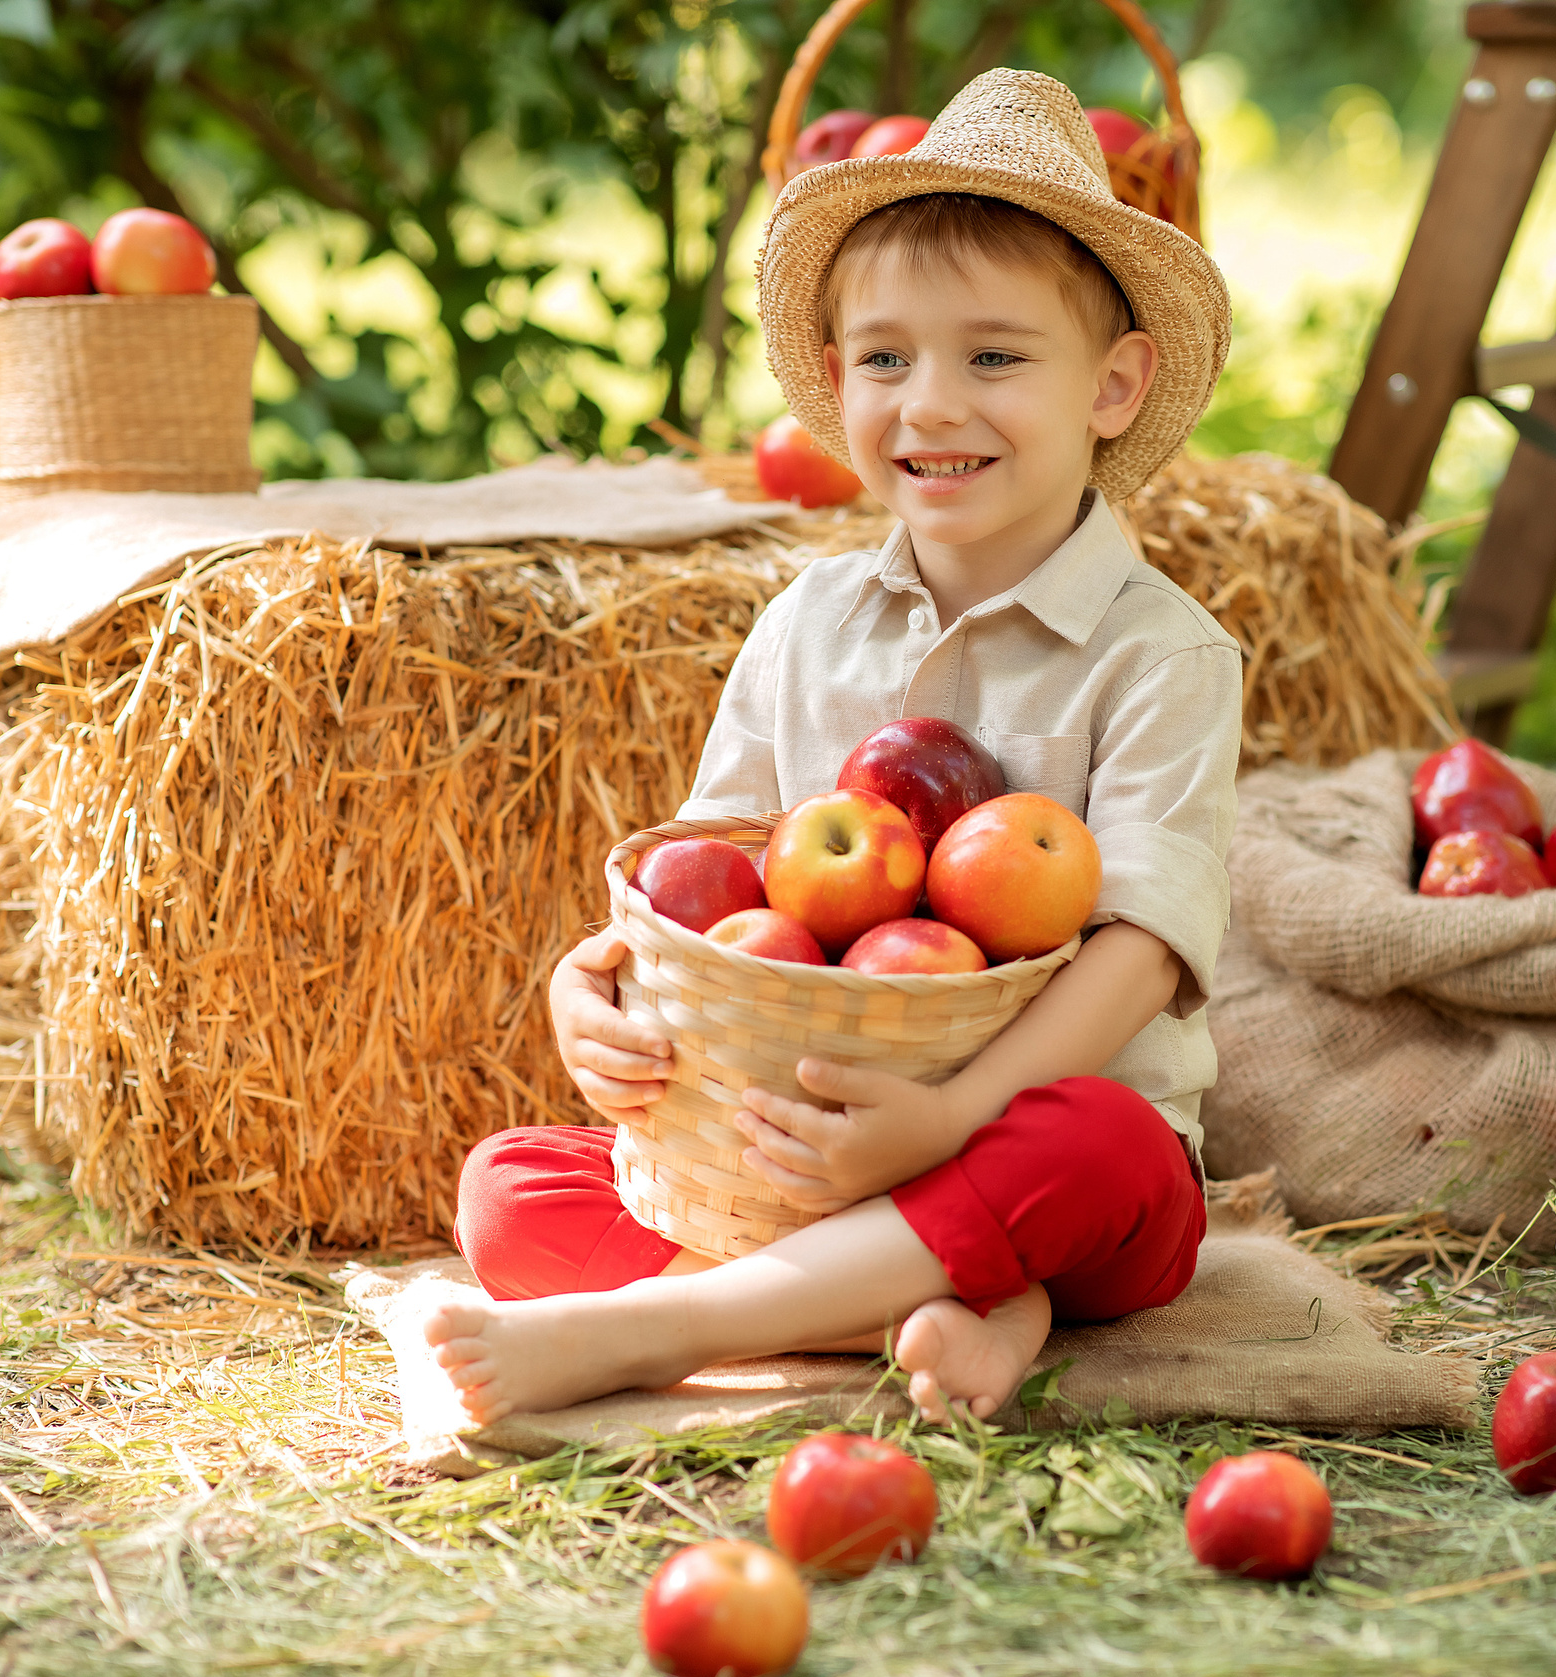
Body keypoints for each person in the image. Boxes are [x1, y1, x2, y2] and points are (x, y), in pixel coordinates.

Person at [412, 68, 1238, 1428]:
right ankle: (961, 1302)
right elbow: (707, 882)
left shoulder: (1162, 653)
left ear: (1115, 385)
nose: (930, 405)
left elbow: (1143, 950)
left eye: (994, 356)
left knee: (1112, 1161)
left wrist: (952, 1118)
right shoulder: (806, 624)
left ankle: (662, 1327)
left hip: (1039, 1144)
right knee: (512, 1191)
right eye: (884, 359)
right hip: (799, 1141)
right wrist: (600, 986)